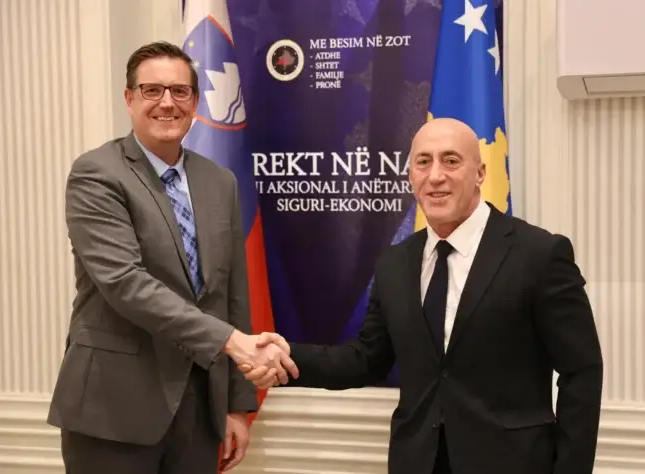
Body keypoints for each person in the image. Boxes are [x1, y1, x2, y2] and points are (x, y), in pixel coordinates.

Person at [242, 117, 604, 474]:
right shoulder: (395, 263)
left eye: (451, 161)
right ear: (410, 176)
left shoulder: (539, 254)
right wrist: (287, 358)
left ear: (480, 173)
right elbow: (366, 359)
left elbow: (582, 371)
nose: (435, 176)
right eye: (423, 162)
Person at [47, 41, 297, 474]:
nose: (167, 103)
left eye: (180, 91)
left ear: (195, 102)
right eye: (152, 90)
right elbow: (126, 284)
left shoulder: (220, 181)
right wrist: (232, 342)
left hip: (199, 412)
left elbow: (232, 295)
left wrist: (238, 406)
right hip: (113, 409)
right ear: (129, 98)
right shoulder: (97, 173)